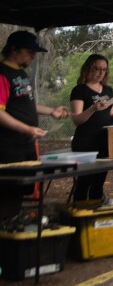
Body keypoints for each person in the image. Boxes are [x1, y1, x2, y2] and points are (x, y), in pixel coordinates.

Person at [0, 31, 69, 220]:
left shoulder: (21, 74)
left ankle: (13, 229)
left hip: (25, 145)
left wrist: (51, 111)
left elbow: (26, 105)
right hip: (8, 147)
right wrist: (26, 129)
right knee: (7, 193)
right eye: (29, 51)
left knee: (21, 192)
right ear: (14, 50)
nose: (33, 56)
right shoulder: (2, 73)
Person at [69, 54, 113, 202]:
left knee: (98, 183)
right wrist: (92, 109)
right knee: (83, 183)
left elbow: (111, 116)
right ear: (88, 69)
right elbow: (77, 119)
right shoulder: (80, 90)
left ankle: (96, 217)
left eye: (104, 70)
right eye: (97, 69)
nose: (101, 73)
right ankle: (80, 218)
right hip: (85, 142)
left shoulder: (108, 90)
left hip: (104, 141)